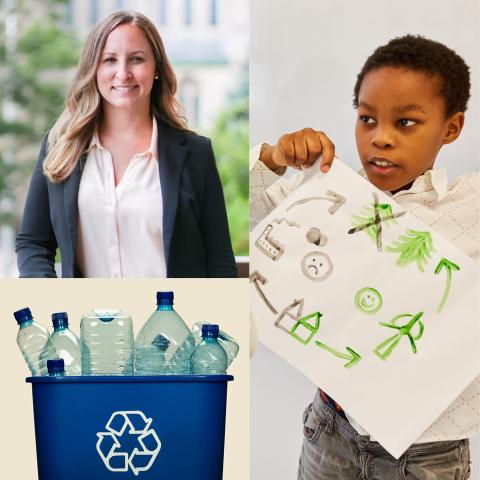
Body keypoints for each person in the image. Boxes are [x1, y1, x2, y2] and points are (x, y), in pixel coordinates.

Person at [250, 35, 478, 479]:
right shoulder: (328, 196)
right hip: (330, 427)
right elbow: (256, 223)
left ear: (450, 128)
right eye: (367, 118)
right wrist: (277, 159)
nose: (381, 139)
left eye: (406, 122)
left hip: (429, 449)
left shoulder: (469, 207)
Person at [16, 10, 236, 278]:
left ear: (156, 69)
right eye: (109, 60)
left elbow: (219, 258)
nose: (123, 73)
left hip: (171, 316)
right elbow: (33, 244)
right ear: (93, 69)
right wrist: (53, 303)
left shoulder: (196, 154)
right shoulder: (60, 148)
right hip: (86, 317)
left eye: (136, 59)